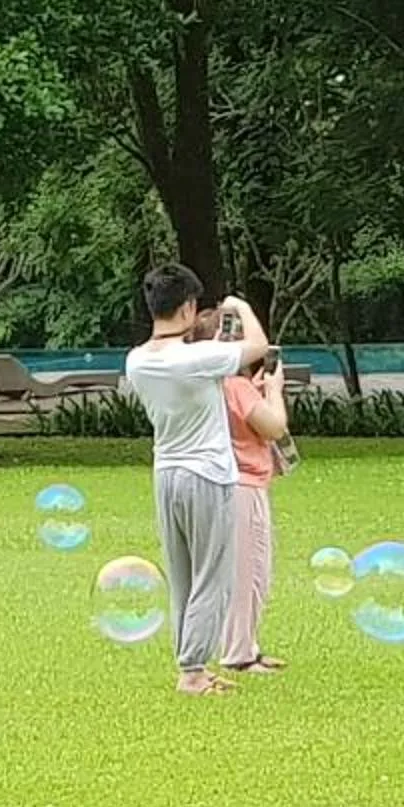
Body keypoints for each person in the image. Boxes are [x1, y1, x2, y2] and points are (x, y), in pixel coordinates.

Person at [122, 264, 270, 695]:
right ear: (188, 307)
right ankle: (192, 672)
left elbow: (201, 372)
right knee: (214, 574)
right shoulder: (194, 358)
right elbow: (258, 346)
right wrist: (240, 306)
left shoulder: (137, 361)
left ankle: (190, 664)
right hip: (208, 474)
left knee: (183, 574)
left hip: (166, 473)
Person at [219, 347, 293, 675]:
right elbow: (275, 427)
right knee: (249, 574)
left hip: (238, 485)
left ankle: (247, 646)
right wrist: (274, 392)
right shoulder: (237, 385)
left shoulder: (220, 385)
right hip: (244, 486)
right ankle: (239, 654)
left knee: (252, 572)